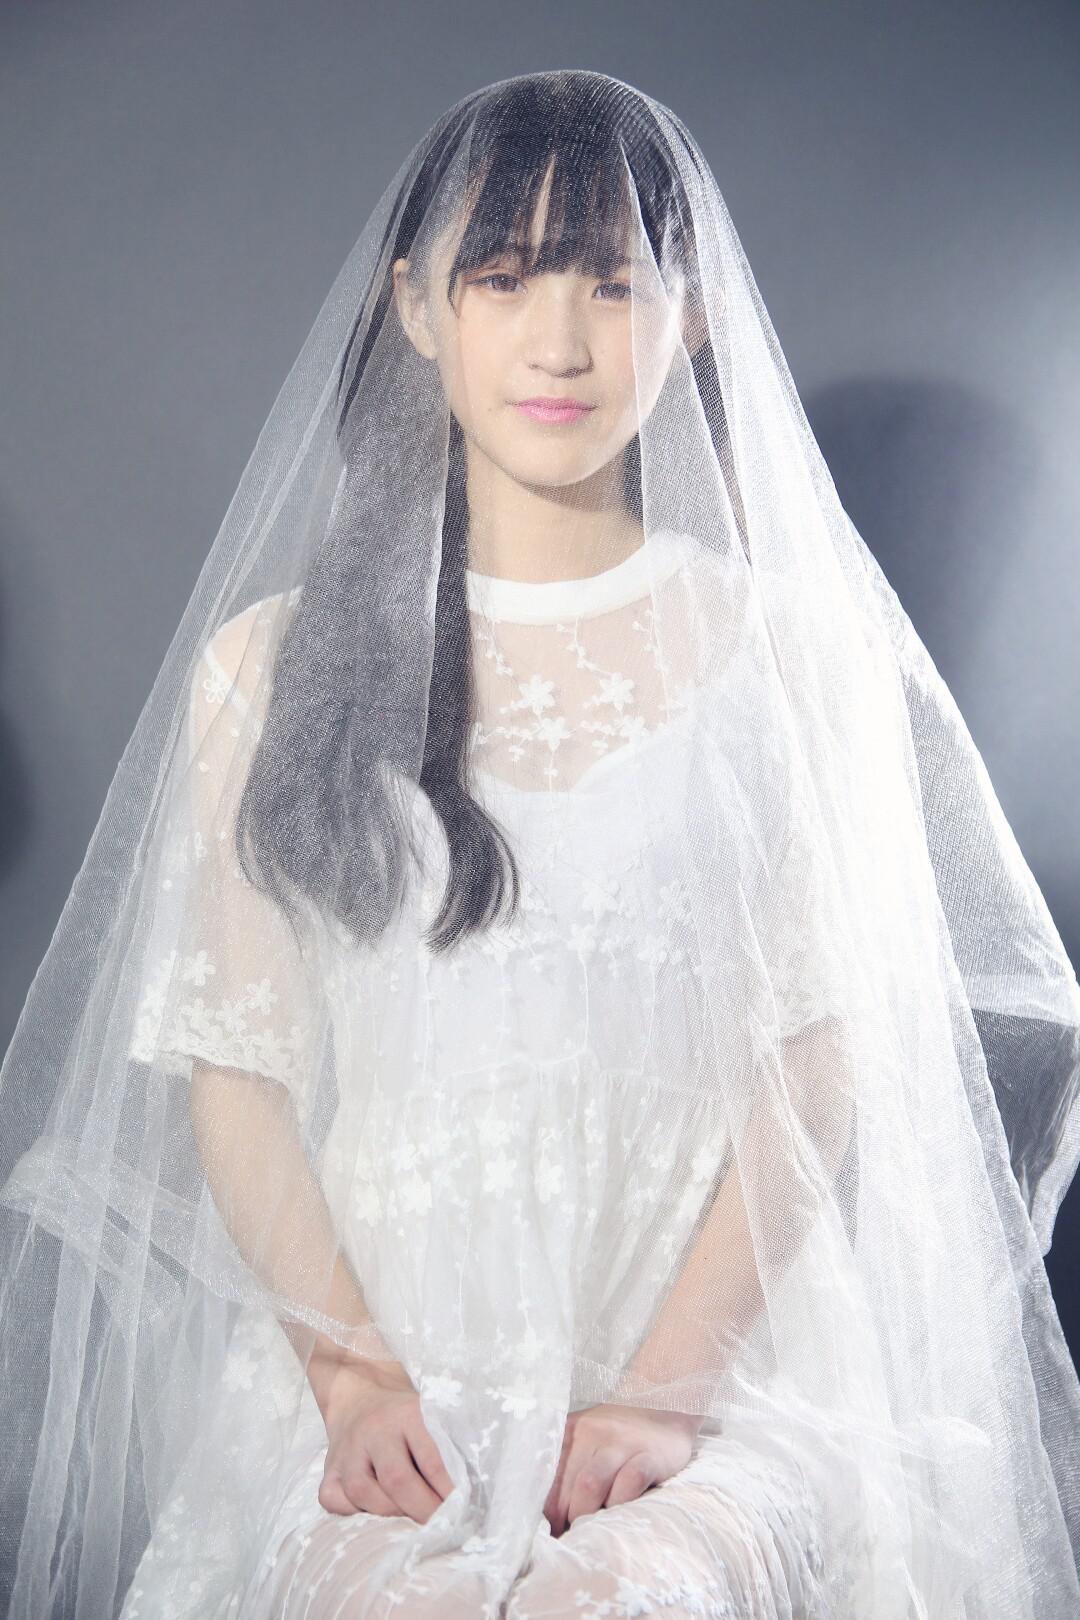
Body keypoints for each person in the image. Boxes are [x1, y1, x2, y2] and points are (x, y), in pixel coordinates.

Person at [2, 68, 1080, 1620]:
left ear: (693, 315)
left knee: (612, 1601)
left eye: (611, 283)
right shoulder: (271, 666)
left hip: (723, 1368)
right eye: (504, 279)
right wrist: (354, 1379)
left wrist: (660, 1395)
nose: (560, 342)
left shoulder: (795, 660)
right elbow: (235, 1070)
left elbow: (818, 1057)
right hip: (380, 1362)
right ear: (417, 306)